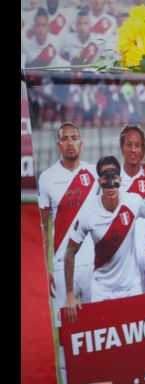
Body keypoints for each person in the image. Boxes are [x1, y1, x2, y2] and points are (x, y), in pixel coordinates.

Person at [63, 156, 145, 321]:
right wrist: (70, 294)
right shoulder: (87, 212)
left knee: (136, 342)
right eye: (106, 177)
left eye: (114, 176)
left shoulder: (134, 201)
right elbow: (70, 252)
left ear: (120, 179)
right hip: (102, 291)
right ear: (99, 181)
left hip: (131, 288)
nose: (111, 183)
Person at [37, 122, 98, 317]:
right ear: (58, 145)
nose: (70, 142)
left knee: (96, 328)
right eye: (65, 138)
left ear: (81, 143)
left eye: (74, 138)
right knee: (66, 331)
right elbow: (43, 228)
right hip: (62, 266)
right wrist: (43, 269)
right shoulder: (47, 178)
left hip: (94, 265)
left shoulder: (95, 173)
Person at [118, 124, 145, 293]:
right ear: (122, 148)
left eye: (137, 146)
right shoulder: (113, 182)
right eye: (129, 145)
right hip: (122, 270)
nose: (133, 150)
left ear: (143, 150)